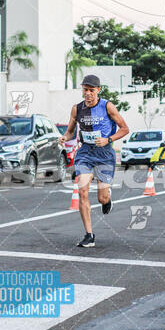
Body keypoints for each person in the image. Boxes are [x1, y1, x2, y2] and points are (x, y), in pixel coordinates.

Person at [59, 75, 129, 247]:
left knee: (101, 198)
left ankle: (107, 199)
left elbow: (125, 128)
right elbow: (70, 132)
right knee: (82, 191)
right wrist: (64, 137)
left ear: (98, 90)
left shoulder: (107, 106)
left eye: (91, 90)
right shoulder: (77, 109)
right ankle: (89, 235)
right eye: (85, 90)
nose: (88, 93)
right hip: (85, 153)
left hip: (104, 153)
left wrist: (109, 140)